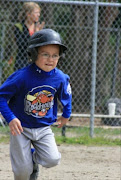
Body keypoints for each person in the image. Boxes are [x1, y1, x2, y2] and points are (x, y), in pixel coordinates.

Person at [0, 29, 72, 180]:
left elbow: (66, 96)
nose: (50, 59)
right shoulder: (21, 77)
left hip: (43, 127)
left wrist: (66, 115)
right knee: (21, 174)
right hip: (21, 128)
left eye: (55, 55)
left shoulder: (60, 77)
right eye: (45, 54)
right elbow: (1, 96)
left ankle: (32, 159)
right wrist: (10, 118)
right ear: (33, 54)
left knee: (52, 159)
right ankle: (27, 166)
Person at [14, 2, 45, 70]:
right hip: (22, 59)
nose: (38, 15)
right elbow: (21, 44)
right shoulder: (19, 27)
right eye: (36, 13)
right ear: (28, 14)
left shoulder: (39, 27)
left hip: (36, 59)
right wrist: (35, 34)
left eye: (39, 13)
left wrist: (39, 32)